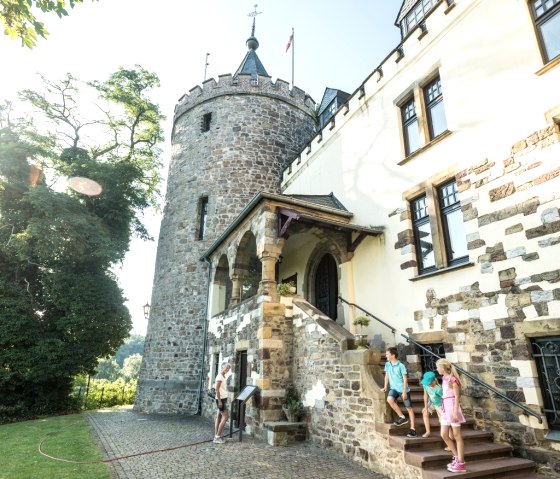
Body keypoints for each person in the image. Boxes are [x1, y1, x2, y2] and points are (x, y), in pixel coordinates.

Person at [436, 358, 467, 473]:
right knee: (444, 434)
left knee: (457, 435)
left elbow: (457, 397)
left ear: (442, 368)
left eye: (438, 367)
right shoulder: (444, 379)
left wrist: (455, 413)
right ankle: (456, 457)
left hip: (452, 408)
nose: (437, 369)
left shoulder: (453, 380)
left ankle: (461, 463)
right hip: (445, 408)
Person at [380, 347, 416, 438]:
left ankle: (413, 429)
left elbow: (405, 379)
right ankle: (402, 417)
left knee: (409, 408)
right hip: (393, 388)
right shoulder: (387, 364)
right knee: (389, 399)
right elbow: (386, 376)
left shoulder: (401, 366)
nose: (386, 356)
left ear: (393, 355)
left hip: (403, 389)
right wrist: (385, 387)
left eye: (387, 354)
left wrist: (404, 392)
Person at [420, 371, 443, 438]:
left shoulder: (438, 389)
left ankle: (447, 438)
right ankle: (428, 431)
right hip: (432, 403)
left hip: (440, 405)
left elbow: (444, 399)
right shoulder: (425, 385)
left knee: (443, 422)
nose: (428, 384)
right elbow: (425, 396)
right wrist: (426, 407)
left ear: (433, 381)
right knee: (425, 412)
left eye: (429, 383)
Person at [213, 362, 231, 444]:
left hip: (223, 399)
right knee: (226, 417)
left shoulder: (223, 375)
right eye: (226, 368)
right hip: (221, 400)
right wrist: (220, 401)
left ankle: (216, 435)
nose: (227, 370)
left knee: (219, 417)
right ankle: (217, 437)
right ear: (222, 367)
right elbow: (217, 389)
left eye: (228, 369)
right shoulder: (220, 376)